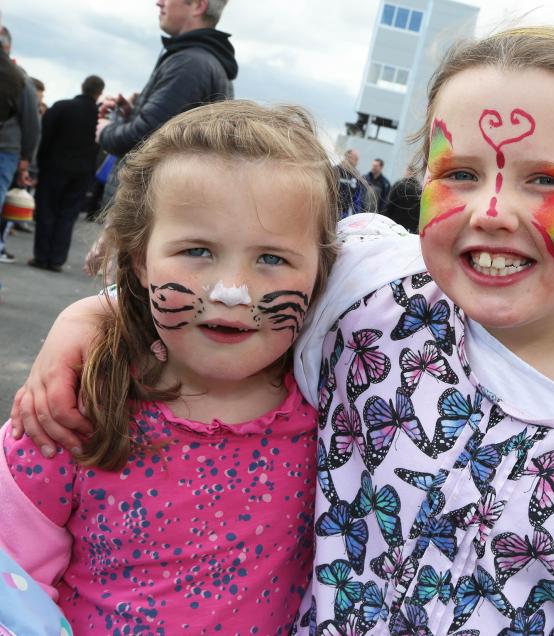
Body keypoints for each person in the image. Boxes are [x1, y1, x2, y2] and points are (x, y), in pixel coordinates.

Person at [10, 27, 554, 636]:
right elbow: (230, 279)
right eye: (460, 173)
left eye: (545, 180)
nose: (491, 211)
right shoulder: (370, 292)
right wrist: (94, 316)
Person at [0, 101, 339, 633]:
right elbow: (11, 579)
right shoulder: (74, 408)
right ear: (140, 259)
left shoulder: (339, 413)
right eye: (197, 250)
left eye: (272, 258)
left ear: (323, 271)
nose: (231, 291)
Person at [86, 0, 237, 274]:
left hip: (149, 219)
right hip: (163, 218)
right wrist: (133, 112)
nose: (159, 2)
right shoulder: (204, 60)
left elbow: (144, 141)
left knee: (122, 298)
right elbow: (166, 134)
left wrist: (106, 130)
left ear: (198, 5)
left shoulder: (189, 63)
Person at [29, 75, 105, 272]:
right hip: (82, 173)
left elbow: (44, 137)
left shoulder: (61, 107)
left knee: (47, 211)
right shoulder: (98, 116)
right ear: (99, 93)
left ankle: (41, 256)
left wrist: (39, 165)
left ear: (82, 86)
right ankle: (57, 259)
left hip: (53, 168)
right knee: (67, 216)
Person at [0, 25, 40, 263]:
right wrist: (26, 159)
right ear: (8, 46)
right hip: (6, 150)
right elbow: (31, 122)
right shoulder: (19, 78)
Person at [335, 148, 366, 217]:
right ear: (347, 157)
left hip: (347, 215)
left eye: (357, 160)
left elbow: (357, 199)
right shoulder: (334, 171)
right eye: (355, 159)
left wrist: (356, 216)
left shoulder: (357, 176)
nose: (357, 163)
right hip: (331, 212)